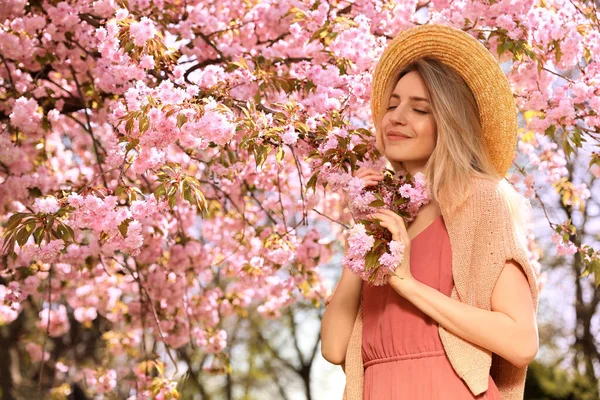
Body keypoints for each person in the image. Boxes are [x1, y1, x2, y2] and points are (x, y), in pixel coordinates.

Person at [320, 24, 540, 400]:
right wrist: (363, 238)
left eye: (419, 109)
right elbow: (335, 347)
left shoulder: (478, 200)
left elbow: (521, 342)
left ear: (449, 124)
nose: (396, 117)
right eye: (392, 104)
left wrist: (407, 284)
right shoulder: (388, 220)